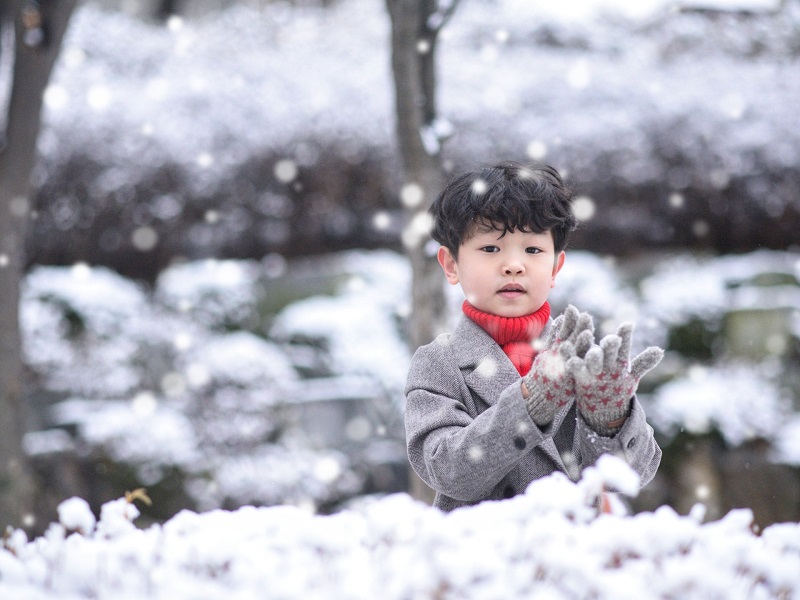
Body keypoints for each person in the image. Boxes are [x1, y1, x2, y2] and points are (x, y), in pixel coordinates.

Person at [404, 162, 663, 511]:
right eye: (491, 249)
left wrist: (609, 420)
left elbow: (631, 476)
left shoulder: (582, 356)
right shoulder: (439, 363)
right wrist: (529, 404)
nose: (514, 265)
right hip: (483, 555)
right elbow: (450, 472)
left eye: (533, 250)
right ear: (451, 264)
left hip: (577, 552)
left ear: (556, 266)